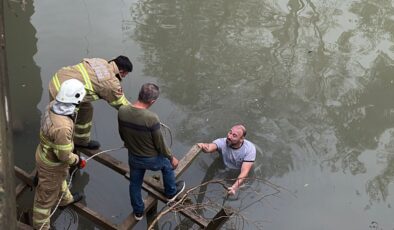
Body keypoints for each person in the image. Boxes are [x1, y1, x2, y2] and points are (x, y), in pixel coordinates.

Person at [118, 83, 185, 221]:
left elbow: (122, 134)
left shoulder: (122, 110)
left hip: (134, 157)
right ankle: (171, 193)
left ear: (139, 94)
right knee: (167, 165)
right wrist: (171, 157)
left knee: (135, 183)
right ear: (152, 101)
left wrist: (129, 144)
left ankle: (138, 212)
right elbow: (160, 143)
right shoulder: (151, 118)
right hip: (151, 160)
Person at [33, 79, 88, 230]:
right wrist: (77, 160)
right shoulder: (62, 127)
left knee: (61, 179)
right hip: (52, 165)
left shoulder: (51, 106)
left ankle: (65, 200)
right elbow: (64, 156)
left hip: (45, 155)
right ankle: (41, 226)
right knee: (45, 199)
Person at [48, 56, 133, 150]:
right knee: (65, 123)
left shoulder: (100, 61)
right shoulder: (111, 82)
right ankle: (65, 148)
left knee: (86, 109)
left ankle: (81, 141)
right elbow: (121, 104)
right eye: (125, 74)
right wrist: (137, 111)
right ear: (122, 72)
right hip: (64, 93)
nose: (124, 77)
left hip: (58, 80)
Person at [197, 125, 256, 195]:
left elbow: (244, 171)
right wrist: (204, 146)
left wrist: (235, 187)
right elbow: (210, 147)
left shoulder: (249, 149)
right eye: (230, 132)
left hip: (239, 171)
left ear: (241, 139)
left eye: (234, 135)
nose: (229, 136)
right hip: (224, 167)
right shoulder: (222, 142)